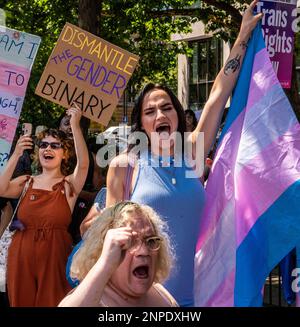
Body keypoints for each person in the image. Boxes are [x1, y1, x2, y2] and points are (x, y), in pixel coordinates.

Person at [81, 1, 262, 306]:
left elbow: (218, 92)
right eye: (150, 111)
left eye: (166, 107)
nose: (159, 114)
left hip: (194, 297)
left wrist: (243, 34)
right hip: (139, 299)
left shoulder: (191, 151)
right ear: (142, 123)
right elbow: (110, 238)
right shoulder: (125, 166)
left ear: (177, 115)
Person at [0, 105, 89, 307]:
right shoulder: (26, 181)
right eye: (43, 144)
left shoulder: (68, 185)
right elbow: (1, 189)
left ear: (64, 154)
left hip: (55, 258)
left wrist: (75, 125)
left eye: (55, 145)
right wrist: (15, 154)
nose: (47, 148)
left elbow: (83, 165)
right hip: (21, 257)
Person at [59, 201, 177, 307]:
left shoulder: (164, 297)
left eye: (151, 241)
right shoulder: (93, 300)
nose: (144, 252)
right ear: (104, 251)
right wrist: (104, 264)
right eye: (130, 241)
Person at [58, 113, 103, 244]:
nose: (71, 127)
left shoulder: (92, 158)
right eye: (67, 123)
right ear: (59, 128)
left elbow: (98, 195)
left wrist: (76, 192)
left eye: (76, 124)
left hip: (80, 220)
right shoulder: (50, 155)